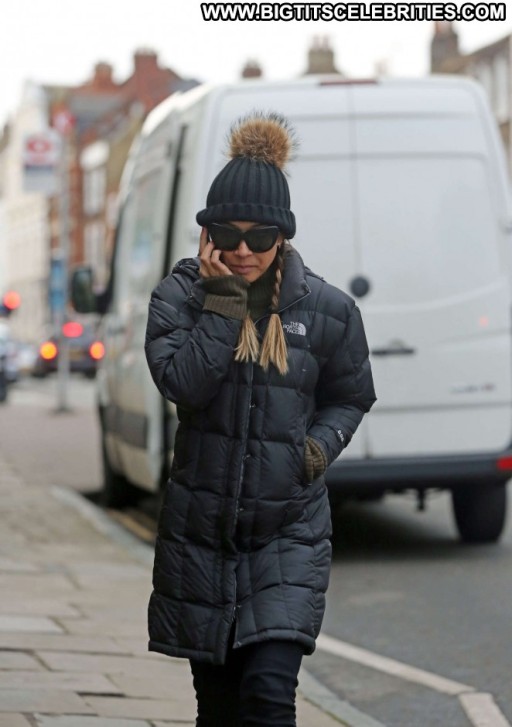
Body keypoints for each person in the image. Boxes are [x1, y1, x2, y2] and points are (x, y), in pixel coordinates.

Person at [144, 112, 376, 727]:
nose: (243, 250)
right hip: (202, 536)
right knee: (220, 710)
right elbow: (184, 385)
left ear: (284, 237)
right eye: (228, 234)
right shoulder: (179, 298)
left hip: (288, 534)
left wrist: (315, 451)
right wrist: (223, 306)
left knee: (269, 696)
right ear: (207, 235)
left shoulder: (327, 310)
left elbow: (351, 396)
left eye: (260, 236)